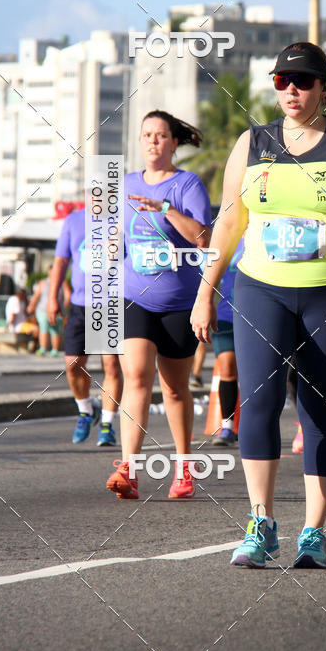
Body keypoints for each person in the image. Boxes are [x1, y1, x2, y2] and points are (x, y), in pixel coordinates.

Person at [191, 41, 326, 568]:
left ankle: (313, 532)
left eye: (302, 80)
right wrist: (206, 291)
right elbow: (229, 223)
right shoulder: (252, 143)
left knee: (319, 405)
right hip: (260, 287)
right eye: (282, 81)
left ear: (325, 87)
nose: (291, 89)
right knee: (257, 401)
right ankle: (260, 523)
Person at [105, 110, 211, 500]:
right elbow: (119, 234)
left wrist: (164, 208)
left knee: (175, 389)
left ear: (173, 143)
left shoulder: (187, 184)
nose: (152, 141)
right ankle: (128, 470)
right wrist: (112, 248)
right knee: (135, 378)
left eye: (161, 135)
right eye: (146, 134)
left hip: (179, 302)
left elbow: (203, 237)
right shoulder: (127, 183)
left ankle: (184, 468)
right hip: (134, 296)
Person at [48, 207, 123, 446]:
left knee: (111, 364)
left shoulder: (121, 218)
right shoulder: (74, 220)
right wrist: (52, 297)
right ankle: (86, 410)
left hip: (112, 303)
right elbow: (60, 261)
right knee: (72, 364)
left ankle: (107, 425)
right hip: (81, 305)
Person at [211, 237, 245, 447]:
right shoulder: (225, 236)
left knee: (256, 374)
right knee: (227, 369)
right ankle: (227, 426)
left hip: (257, 316)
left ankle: (254, 425)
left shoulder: (262, 231)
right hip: (225, 316)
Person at [28, 266, 70, 356]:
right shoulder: (43, 283)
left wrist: (66, 304)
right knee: (43, 326)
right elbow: (36, 295)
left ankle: (55, 350)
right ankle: (43, 348)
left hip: (58, 310)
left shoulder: (63, 282)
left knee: (55, 330)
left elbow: (68, 294)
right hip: (43, 309)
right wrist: (32, 305)